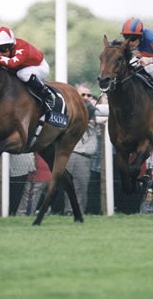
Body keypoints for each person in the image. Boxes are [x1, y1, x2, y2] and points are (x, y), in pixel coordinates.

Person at [0, 26, 54, 110]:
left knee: (22, 74)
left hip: (38, 67)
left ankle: (46, 95)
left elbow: (12, 63)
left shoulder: (23, 49)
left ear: (12, 46)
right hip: (21, 67)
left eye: (4, 49)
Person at [63, 84, 98, 215]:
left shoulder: (93, 111)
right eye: (82, 95)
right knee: (70, 186)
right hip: (73, 153)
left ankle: (78, 212)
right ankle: (69, 212)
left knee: (82, 187)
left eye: (88, 95)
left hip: (85, 157)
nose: (86, 97)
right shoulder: (71, 111)